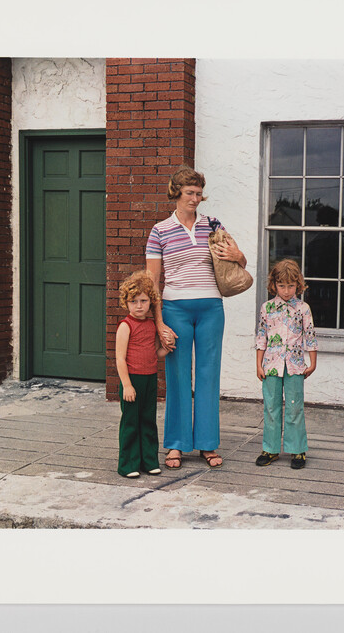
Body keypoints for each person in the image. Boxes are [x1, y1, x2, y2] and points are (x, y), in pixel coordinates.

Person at [145, 165, 246, 470]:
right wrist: (159, 323)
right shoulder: (159, 231)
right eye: (189, 192)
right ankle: (176, 444)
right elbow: (152, 282)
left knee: (208, 374)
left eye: (199, 193)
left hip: (211, 309)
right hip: (175, 309)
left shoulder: (213, 225)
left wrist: (238, 256)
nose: (195, 198)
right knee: (177, 376)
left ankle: (207, 443)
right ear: (176, 193)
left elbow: (238, 263)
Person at [254, 259, 318, 469]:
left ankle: (297, 449)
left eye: (291, 286)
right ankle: (270, 449)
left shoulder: (303, 308)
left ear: (298, 284)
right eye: (282, 285)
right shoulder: (267, 308)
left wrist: (312, 362)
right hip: (271, 365)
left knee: (294, 407)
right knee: (271, 407)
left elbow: (310, 336)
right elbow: (261, 337)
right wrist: (259, 364)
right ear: (274, 285)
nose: (287, 291)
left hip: (295, 366)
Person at [115, 271, 170, 478]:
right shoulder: (125, 326)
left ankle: (149, 461)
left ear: (151, 302)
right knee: (131, 422)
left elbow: (155, 353)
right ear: (126, 303)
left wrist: (167, 348)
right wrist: (127, 385)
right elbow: (120, 359)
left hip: (150, 379)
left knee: (148, 420)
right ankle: (128, 465)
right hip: (132, 380)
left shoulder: (151, 325)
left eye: (144, 301)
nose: (139, 306)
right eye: (134, 301)